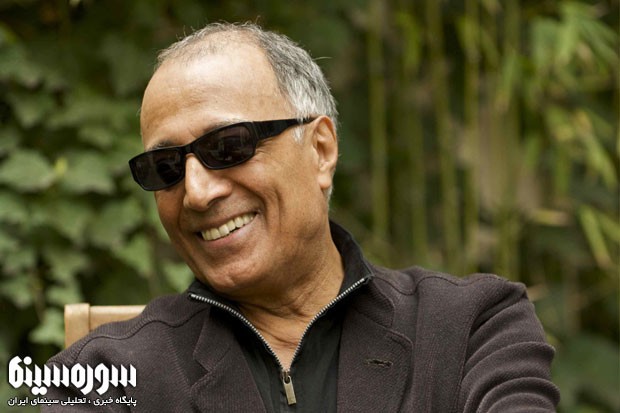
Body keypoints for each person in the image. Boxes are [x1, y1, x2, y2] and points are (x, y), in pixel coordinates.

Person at [44, 22, 560, 412]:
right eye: (166, 167)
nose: (196, 193)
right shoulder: (101, 375)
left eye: (228, 146)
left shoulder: (470, 327)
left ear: (320, 149)